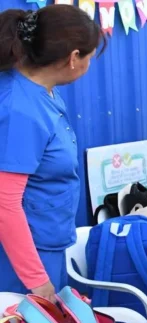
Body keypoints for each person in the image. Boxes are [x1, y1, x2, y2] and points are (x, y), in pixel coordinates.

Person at [0, 5, 105, 302]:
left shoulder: (42, 91)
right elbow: (4, 203)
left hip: (46, 244)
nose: (88, 64)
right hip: (22, 260)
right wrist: (37, 282)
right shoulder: (19, 109)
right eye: (89, 57)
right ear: (74, 58)